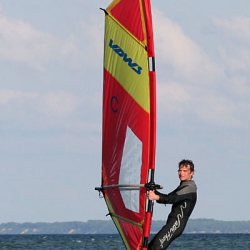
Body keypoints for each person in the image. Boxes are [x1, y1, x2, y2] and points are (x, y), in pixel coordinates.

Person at [147, 159, 197, 250]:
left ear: (191, 173)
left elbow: (170, 199)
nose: (181, 173)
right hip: (171, 224)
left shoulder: (189, 188)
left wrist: (155, 197)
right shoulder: (184, 185)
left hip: (176, 225)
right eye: (180, 170)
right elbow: (169, 197)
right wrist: (154, 191)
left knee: (156, 247)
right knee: (150, 247)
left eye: (185, 171)